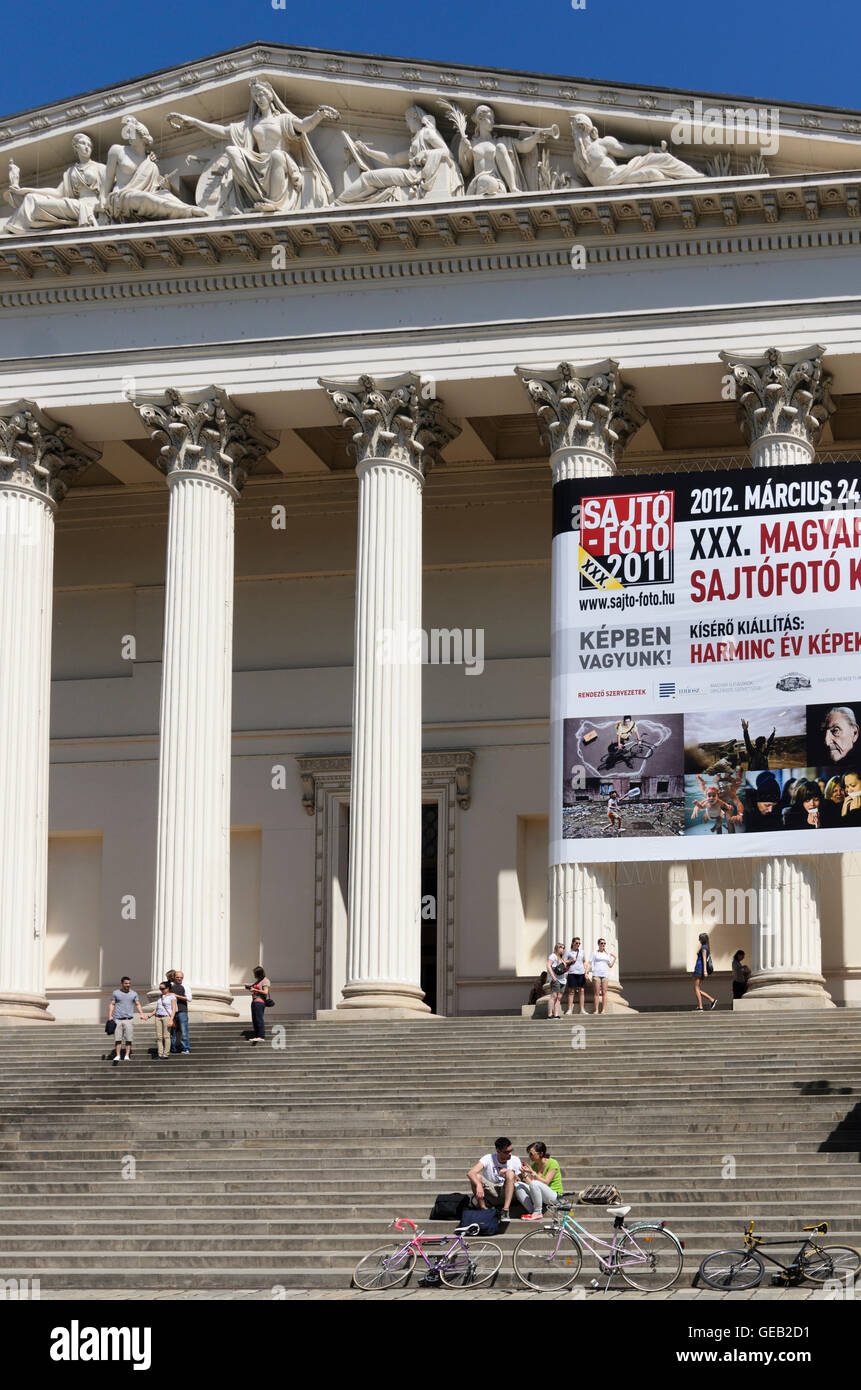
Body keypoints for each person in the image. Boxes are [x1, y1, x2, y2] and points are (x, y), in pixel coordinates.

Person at [467, 1138, 523, 1223]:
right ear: (498, 1151)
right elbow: (471, 1173)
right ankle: (483, 1209)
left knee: (510, 1174)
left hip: (507, 1192)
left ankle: (505, 1211)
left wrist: (509, 1172)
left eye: (511, 1151)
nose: (510, 1154)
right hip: (491, 1190)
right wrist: (478, 1185)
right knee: (476, 1177)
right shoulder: (488, 1158)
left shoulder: (515, 1160)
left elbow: (520, 1181)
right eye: (506, 1152)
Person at [516, 1142, 565, 1220]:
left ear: (541, 1153)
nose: (529, 1156)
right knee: (517, 1185)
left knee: (535, 1183)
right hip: (542, 1195)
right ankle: (532, 1211)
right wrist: (524, 1175)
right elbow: (531, 1185)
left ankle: (538, 1211)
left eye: (531, 1154)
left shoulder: (552, 1163)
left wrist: (533, 1173)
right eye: (529, 1153)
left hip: (554, 1196)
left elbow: (546, 1182)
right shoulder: (535, 1165)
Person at [108, 976, 148, 1064]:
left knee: (128, 1039)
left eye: (129, 983)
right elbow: (112, 1004)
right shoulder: (116, 993)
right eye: (126, 983)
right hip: (118, 1019)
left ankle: (126, 1055)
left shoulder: (133, 993)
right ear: (122, 983)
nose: (128, 985)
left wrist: (141, 1013)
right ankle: (118, 1055)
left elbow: (137, 1004)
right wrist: (110, 1015)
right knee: (118, 1038)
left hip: (129, 1019)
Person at [144, 982, 177, 1058]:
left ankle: (166, 1054)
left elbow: (174, 1008)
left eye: (162, 988)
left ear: (167, 988)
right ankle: (160, 1053)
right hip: (158, 1017)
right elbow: (157, 1008)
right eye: (160, 989)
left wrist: (171, 1019)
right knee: (159, 1037)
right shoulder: (160, 997)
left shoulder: (172, 997)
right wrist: (149, 1016)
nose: (161, 990)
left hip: (166, 1017)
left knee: (166, 1036)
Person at [166, 969, 192, 1054]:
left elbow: (189, 998)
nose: (179, 979)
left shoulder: (185, 986)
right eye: (177, 977)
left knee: (183, 1031)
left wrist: (176, 996)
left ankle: (185, 1048)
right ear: (174, 977)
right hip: (172, 1012)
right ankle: (173, 1048)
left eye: (181, 977)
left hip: (182, 1011)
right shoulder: (170, 987)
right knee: (172, 1031)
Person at [589, 938, 616, 1015]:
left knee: (604, 992)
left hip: (605, 975)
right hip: (596, 974)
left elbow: (610, 965)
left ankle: (603, 1009)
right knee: (596, 993)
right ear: (598, 944)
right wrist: (587, 972)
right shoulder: (594, 953)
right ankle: (596, 1010)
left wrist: (614, 958)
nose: (603, 945)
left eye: (604, 943)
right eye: (601, 943)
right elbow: (590, 962)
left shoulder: (607, 954)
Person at [244, 966, 271, 1042]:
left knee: (259, 1019)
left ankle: (261, 1036)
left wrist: (255, 989)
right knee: (255, 1020)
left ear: (259, 973)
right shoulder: (258, 981)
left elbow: (265, 992)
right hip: (254, 1002)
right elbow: (254, 988)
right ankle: (257, 1036)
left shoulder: (265, 981)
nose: (254, 975)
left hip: (260, 1002)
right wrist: (249, 987)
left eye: (255, 973)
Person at [693, 932, 717, 1010]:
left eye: (699, 938)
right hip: (700, 969)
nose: (698, 939)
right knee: (696, 988)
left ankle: (701, 1006)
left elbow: (704, 959)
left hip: (700, 968)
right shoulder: (705, 947)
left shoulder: (703, 947)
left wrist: (705, 971)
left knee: (696, 987)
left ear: (701, 939)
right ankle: (711, 1000)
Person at [564, 937, 588, 1015]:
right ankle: (570, 1009)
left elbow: (584, 962)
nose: (578, 944)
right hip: (572, 973)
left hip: (581, 973)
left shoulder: (582, 952)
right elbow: (564, 962)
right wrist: (571, 960)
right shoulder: (568, 952)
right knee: (571, 991)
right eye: (576, 943)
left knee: (582, 991)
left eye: (579, 943)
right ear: (572, 943)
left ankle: (582, 1009)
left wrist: (586, 972)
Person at [546, 943, 568, 1018]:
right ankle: (549, 1015)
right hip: (556, 979)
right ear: (557, 948)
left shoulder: (561, 958)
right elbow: (548, 965)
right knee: (553, 996)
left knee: (559, 997)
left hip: (563, 980)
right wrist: (553, 977)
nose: (562, 949)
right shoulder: (553, 956)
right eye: (561, 947)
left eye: (563, 948)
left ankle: (556, 1014)